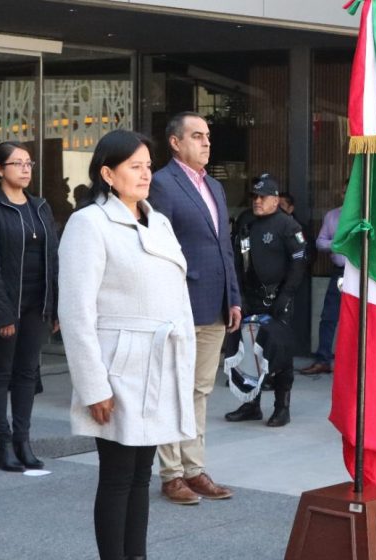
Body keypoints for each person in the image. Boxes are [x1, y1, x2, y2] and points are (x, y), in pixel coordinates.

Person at [59, 129, 196, 560]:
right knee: (118, 477)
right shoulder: (88, 224)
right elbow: (76, 312)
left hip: (159, 364)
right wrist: (92, 385)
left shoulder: (160, 222)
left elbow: (177, 296)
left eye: (148, 166)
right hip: (117, 368)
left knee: (141, 475)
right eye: (134, 166)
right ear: (107, 174)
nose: (145, 174)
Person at [147, 111, 240, 505]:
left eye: (208, 136)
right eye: (197, 136)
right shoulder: (161, 184)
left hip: (215, 303)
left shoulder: (214, 186)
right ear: (175, 142)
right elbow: (157, 247)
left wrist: (233, 296)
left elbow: (224, 246)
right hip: (179, 302)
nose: (206, 143)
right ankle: (171, 474)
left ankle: (194, 468)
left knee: (200, 390)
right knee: (174, 390)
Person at [0, 141, 60, 472]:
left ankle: (23, 440)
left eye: (29, 163)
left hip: (37, 304)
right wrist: (2, 313)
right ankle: (3, 442)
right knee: (0, 372)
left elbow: (53, 259)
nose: (25, 169)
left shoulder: (40, 207)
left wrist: (54, 306)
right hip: (4, 306)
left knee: (27, 372)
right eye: (17, 163)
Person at [223, 174, 306, 427]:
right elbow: (237, 260)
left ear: (275, 200)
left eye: (263, 197)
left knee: (279, 353)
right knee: (249, 351)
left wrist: (286, 295)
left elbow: (299, 262)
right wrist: (238, 296)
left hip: (278, 299)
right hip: (250, 297)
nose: (257, 201)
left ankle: (282, 407)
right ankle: (251, 404)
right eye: (254, 196)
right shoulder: (246, 220)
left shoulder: (287, 225)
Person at [300, 181, 347, 376]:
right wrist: (337, 244)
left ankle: (359, 363)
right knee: (328, 317)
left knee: (363, 319)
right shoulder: (332, 215)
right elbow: (320, 243)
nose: (346, 195)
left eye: (351, 192)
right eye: (344, 192)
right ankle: (323, 360)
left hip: (363, 274)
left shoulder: (369, 216)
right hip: (340, 273)